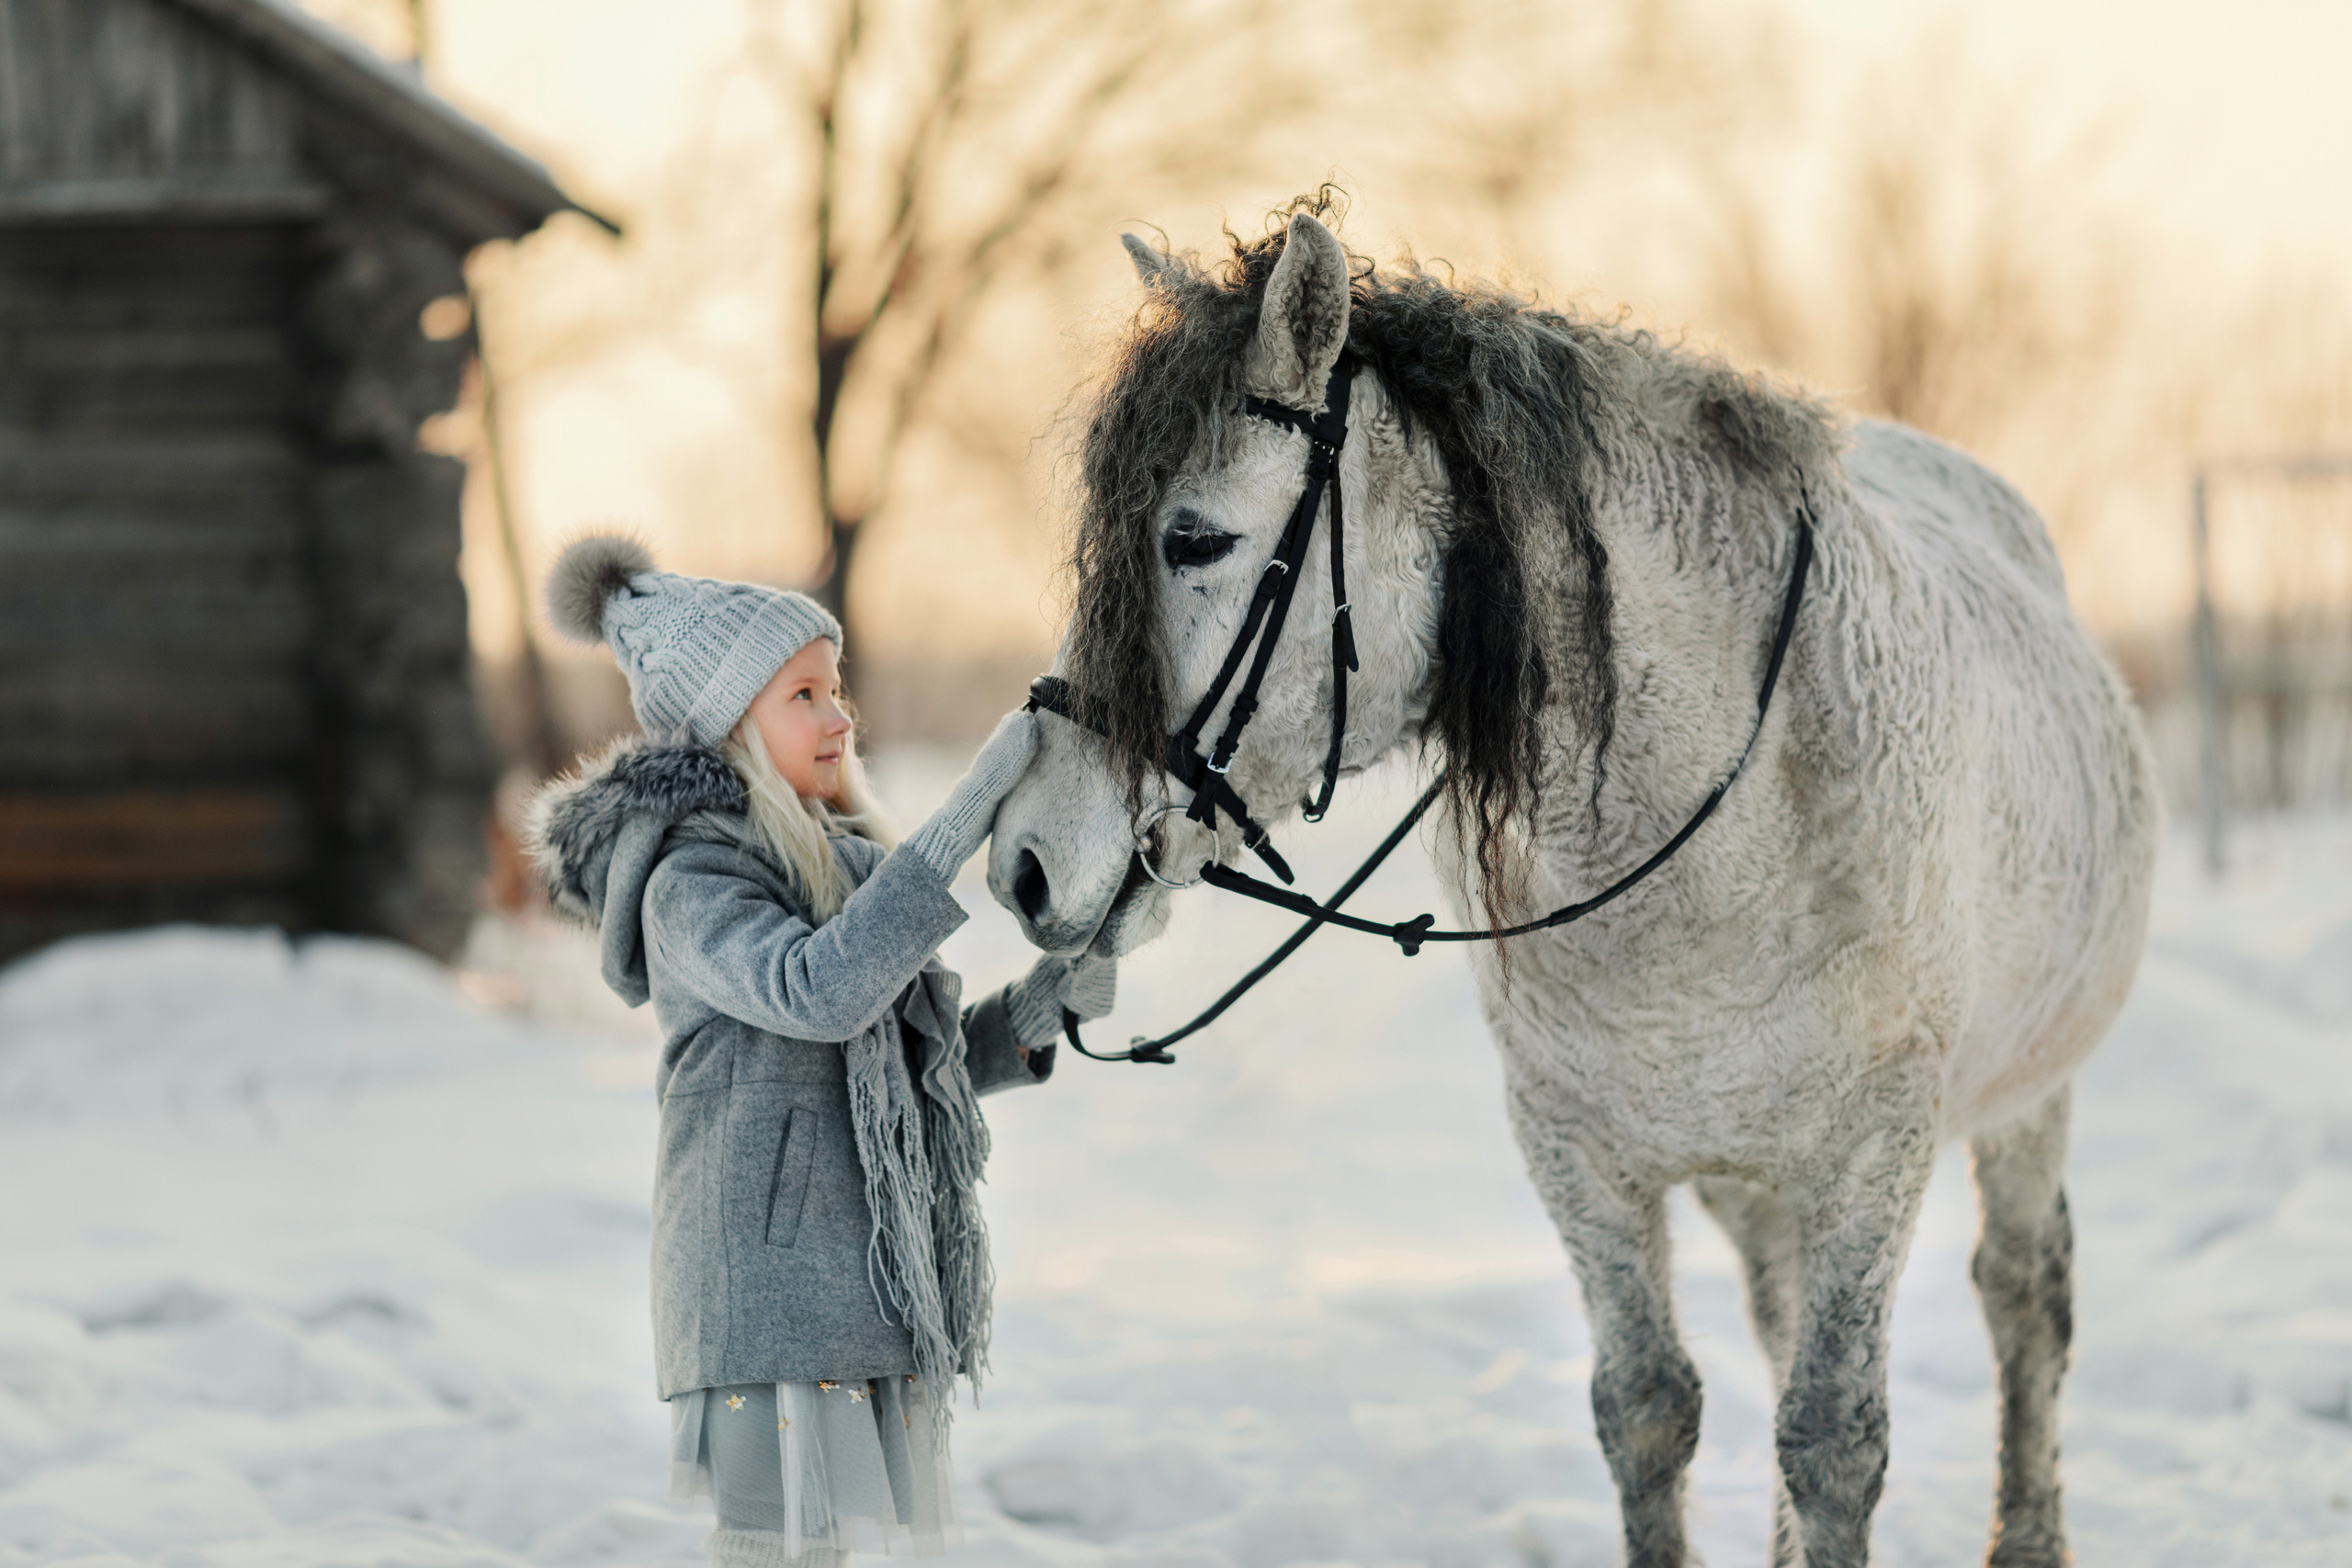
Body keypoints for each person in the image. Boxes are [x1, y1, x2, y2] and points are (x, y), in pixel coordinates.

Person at [525, 536, 1113, 1567]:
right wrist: (959, 822)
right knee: (772, 1550)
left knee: (830, 1554)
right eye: (805, 694)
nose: (842, 716)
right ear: (730, 721)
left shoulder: (838, 864)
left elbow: (899, 1063)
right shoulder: (686, 885)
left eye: (836, 690)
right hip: (764, 1283)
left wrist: (1035, 1017)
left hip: (856, 1275)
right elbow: (818, 994)